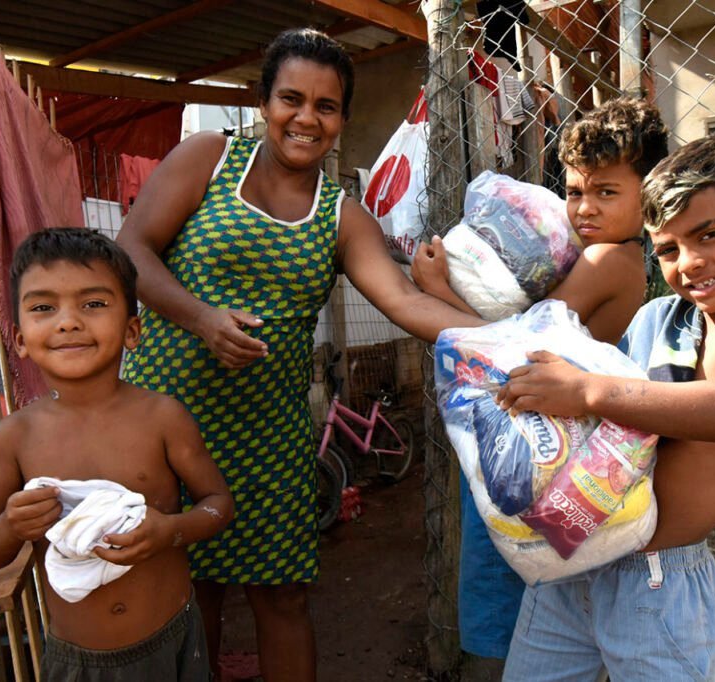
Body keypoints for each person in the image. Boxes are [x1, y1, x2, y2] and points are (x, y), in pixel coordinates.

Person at [115, 28, 487, 682]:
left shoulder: (341, 217)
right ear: (264, 103)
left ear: (342, 118)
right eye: (292, 99)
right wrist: (202, 318)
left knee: (281, 594)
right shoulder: (208, 159)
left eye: (326, 106)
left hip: (268, 434)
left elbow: (403, 303)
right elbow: (131, 252)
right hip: (166, 425)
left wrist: (506, 340)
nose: (306, 119)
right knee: (188, 590)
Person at [497, 137, 715, 681]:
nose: (690, 263)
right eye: (667, 249)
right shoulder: (660, 319)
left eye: (709, 235)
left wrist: (586, 391)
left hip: (656, 580)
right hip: (575, 557)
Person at [412, 97, 668, 677]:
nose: (583, 208)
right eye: (576, 191)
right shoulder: (625, 257)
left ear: (647, 193)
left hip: (534, 455)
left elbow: (515, 349)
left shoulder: (606, 260)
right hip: (552, 452)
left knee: (499, 603)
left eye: (607, 192)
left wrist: (434, 290)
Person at [0, 228, 234, 681]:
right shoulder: (14, 437)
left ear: (132, 330)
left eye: (93, 304)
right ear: (20, 339)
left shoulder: (163, 417)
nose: (68, 321)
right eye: (43, 307)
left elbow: (219, 505)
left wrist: (170, 531)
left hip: (174, 641)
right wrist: (13, 526)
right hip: (79, 662)